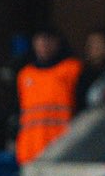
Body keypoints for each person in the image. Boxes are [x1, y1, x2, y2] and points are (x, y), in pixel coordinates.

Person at [15, 27, 82, 165]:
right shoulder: (25, 74)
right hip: (30, 151)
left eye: (48, 40)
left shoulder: (72, 69)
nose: (43, 45)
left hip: (62, 148)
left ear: (58, 42)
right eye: (39, 41)